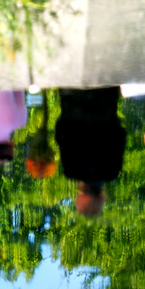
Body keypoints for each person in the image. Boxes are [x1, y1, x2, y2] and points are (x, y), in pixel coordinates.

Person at [54, 87, 125, 217]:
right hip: (72, 101)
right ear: (81, 194)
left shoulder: (112, 171)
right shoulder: (71, 171)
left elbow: (120, 135)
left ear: (101, 197)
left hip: (106, 99)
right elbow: (61, 132)